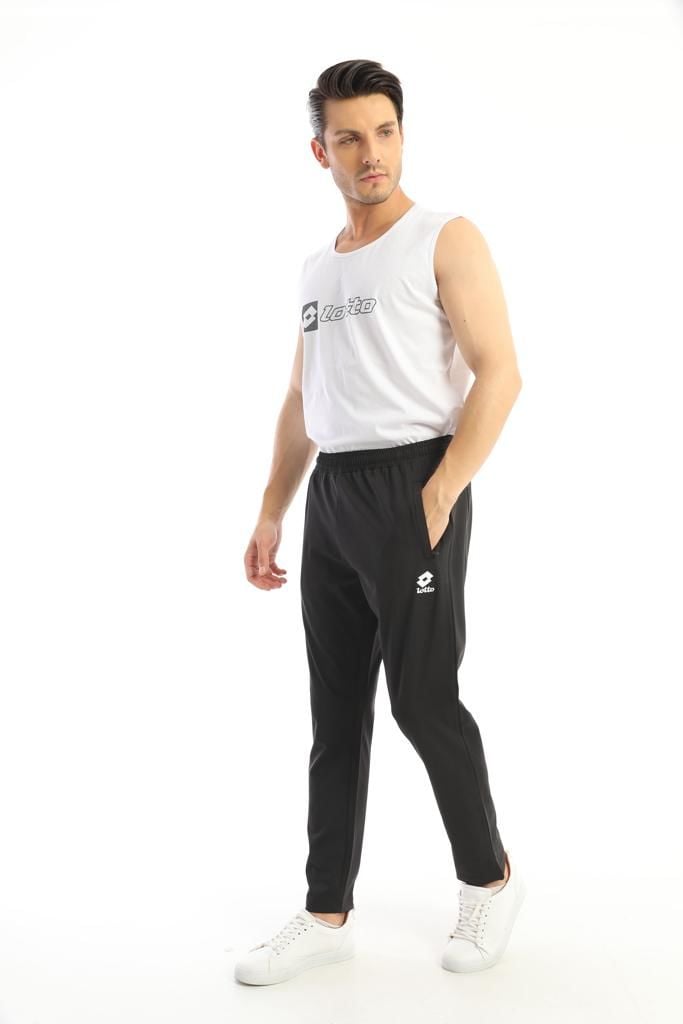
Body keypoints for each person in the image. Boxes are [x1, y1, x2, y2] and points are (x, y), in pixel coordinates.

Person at [234, 58, 525, 987]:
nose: (372, 153)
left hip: (412, 482)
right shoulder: (318, 267)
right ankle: (326, 910)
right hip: (332, 496)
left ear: (402, 134)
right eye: (351, 137)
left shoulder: (444, 237)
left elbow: (499, 371)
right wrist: (272, 510)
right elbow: (300, 397)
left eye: (386, 132)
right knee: (334, 713)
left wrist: (438, 494)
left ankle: (488, 878)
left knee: (422, 700)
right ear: (318, 150)